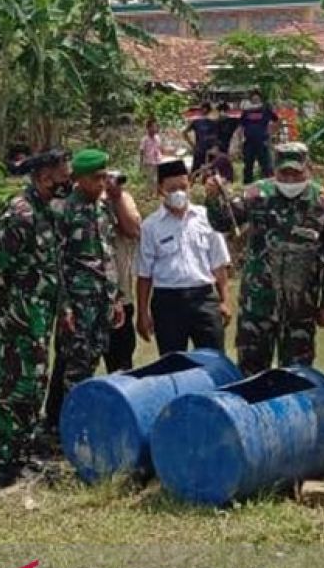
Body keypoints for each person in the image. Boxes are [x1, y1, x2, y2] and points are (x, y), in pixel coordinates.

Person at [0, 149, 70, 487]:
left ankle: (26, 452)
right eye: (64, 175)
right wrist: (0, 319)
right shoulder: (20, 215)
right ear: (45, 176)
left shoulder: (47, 211)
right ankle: (7, 461)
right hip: (14, 320)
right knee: (11, 388)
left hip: (37, 318)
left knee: (33, 386)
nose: (68, 181)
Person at [206, 142, 324, 374]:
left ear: (308, 169)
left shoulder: (323, 202)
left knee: (297, 376)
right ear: (275, 170)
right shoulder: (256, 195)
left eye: (295, 173)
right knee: (251, 373)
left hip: (300, 308)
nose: (289, 179)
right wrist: (213, 198)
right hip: (258, 305)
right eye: (283, 172)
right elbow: (223, 223)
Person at [45, 149, 124, 430]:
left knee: (92, 362)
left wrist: (117, 299)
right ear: (79, 179)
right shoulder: (63, 210)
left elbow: (108, 255)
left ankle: (81, 423)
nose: (102, 184)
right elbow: (56, 263)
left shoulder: (102, 210)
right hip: (78, 305)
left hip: (102, 302)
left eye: (104, 177)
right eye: (96, 178)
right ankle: (68, 429)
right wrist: (63, 307)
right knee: (74, 369)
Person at [136, 159, 231, 355]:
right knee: (173, 365)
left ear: (189, 184)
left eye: (182, 186)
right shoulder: (151, 226)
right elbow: (144, 275)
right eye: (172, 188)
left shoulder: (206, 218)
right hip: (168, 302)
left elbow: (218, 264)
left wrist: (224, 300)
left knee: (213, 360)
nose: (178, 192)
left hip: (203, 298)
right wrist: (142, 313)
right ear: (161, 189)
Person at [105, 170, 141, 372]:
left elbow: (133, 230)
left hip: (120, 296)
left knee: (122, 365)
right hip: (84, 299)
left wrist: (116, 199)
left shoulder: (123, 199)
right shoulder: (74, 201)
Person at [239, 90, 279, 184]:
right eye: (253, 97)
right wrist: (240, 140)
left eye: (257, 97)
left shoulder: (266, 109)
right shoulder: (247, 111)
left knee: (266, 166)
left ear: (260, 98)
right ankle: (247, 186)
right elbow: (241, 126)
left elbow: (277, 120)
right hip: (249, 142)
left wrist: (272, 133)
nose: (255, 98)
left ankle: (270, 185)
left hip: (263, 141)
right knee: (248, 166)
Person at [185, 103, 220, 174]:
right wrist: (192, 145)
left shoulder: (213, 122)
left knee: (210, 171)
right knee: (195, 171)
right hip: (200, 149)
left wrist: (215, 147)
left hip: (208, 150)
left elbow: (215, 137)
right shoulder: (196, 121)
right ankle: (192, 183)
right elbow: (184, 133)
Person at [139, 119, 163, 190]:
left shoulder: (157, 138)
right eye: (153, 127)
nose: (155, 129)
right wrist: (141, 165)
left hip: (158, 161)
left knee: (158, 179)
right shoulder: (144, 140)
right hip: (149, 163)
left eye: (155, 127)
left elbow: (160, 149)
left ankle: (157, 194)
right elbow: (141, 152)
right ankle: (150, 194)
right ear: (148, 128)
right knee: (150, 181)